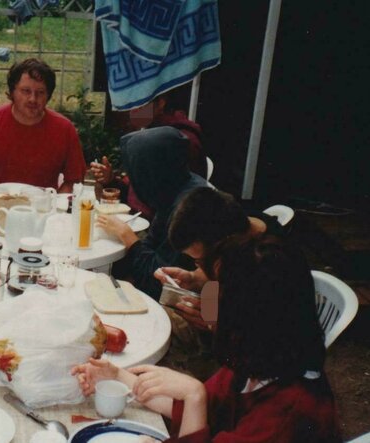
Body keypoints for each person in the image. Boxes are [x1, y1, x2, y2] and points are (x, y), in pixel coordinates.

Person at [73, 236, 341, 442]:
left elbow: (197, 403)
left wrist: (194, 395)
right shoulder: (257, 360)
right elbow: (200, 407)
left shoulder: (287, 415)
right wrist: (117, 377)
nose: (208, 299)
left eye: (217, 293)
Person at [95, 126, 208, 299]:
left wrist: (126, 235)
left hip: (194, 304)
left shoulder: (190, 210)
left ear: (151, 171)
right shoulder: (176, 186)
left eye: (136, 173)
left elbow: (159, 284)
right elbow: (151, 246)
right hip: (201, 297)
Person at [154, 187, 284, 331]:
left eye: (201, 260)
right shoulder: (238, 221)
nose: (200, 267)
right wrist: (194, 278)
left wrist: (221, 326)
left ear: (225, 247)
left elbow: (268, 337)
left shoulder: (271, 266)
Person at [0, 58, 86, 192]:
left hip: (43, 209)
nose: (33, 99)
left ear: (48, 95)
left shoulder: (64, 129)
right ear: (12, 92)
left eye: (40, 92)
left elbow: (74, 180)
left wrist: (55, 205)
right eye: (26, 91)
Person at [90, 91, 207, 219]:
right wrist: (110, 180)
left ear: (160, 103)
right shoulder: (150, 132)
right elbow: (138, 191)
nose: (133, 110)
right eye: (132, 103)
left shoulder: (179, 141)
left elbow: (174, 203)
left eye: (140, 104)